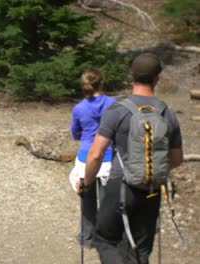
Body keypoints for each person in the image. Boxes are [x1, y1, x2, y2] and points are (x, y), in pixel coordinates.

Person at [80, 53, 183, 263]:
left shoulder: (118, 110)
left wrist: (87, 182)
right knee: (141, 249)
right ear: (157, 78)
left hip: (121, 186)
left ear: (132, 75)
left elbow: (96, 153)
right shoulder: (167, 113)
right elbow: (177, 159)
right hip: (152, 189)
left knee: (104, 239)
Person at [69, 68, 116, 247]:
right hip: (108, 158)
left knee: (86, 199)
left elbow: (75, 133)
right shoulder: (113, 104)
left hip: (85, 158)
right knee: (107, 203)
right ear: (102, 82)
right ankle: (106, 239)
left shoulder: (79, 108)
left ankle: (87, 237)